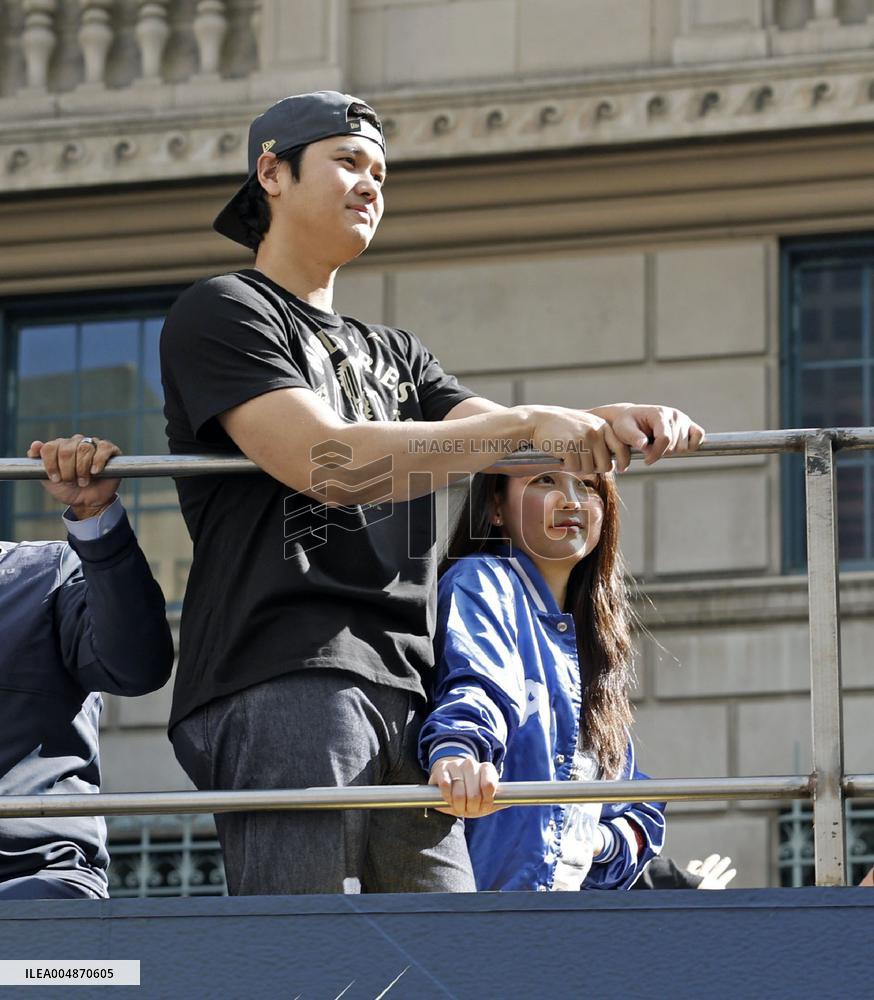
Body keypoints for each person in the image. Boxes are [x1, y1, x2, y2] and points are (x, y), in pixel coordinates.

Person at [159, 89, 704, 895]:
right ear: (271, 173)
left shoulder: (399, 354)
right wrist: (530, 423)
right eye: (348, 161)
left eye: (380, 171)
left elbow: (504, 440)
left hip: (411, 681)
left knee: (449, 957)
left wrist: (607, 422)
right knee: (305, 956)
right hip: (287, 668)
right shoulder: (226, 310)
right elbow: (330, 464)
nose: (371, 184)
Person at [419, 468, 665, 891]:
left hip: (560, 926)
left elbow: (635, 806)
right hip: (479, 918)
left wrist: (595, 842)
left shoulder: (590, 642)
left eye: (588, 485)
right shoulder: (482, 580)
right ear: (496, 505)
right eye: (545, 480)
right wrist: (459, 750)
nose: (570, 500)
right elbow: (477, 684)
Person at [0, 435, 174, 900]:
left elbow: (136, 667)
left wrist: (96, 517)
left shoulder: (46, 572)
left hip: (31, 883)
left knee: (51, 966)